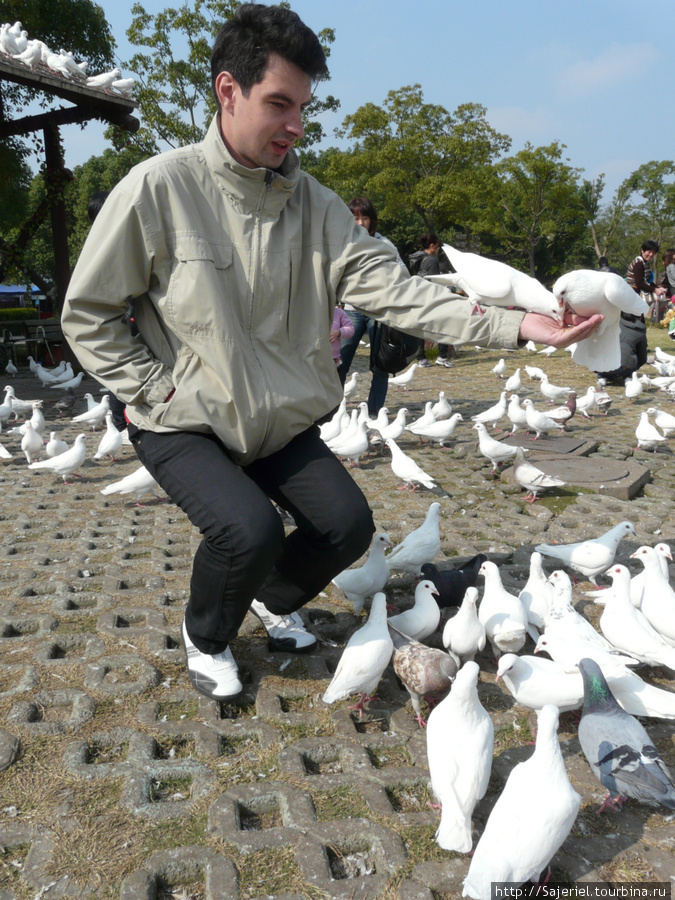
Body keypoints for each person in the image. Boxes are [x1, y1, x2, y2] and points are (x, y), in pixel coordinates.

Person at [61, 3, 601, 703]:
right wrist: (153, 391)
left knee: (346, 527)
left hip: (278, 417)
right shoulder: (158, 189)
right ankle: (208, 634)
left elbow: (398, 293)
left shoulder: (317, 208)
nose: (295, 124)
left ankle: (266, 597)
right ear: (228, 92)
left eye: (303, 107)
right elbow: (89, 313)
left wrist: (519, 326)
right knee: (247, 529)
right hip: (182, 417)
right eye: (278, 103)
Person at [337, 196, 406, 412]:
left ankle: (375, 414)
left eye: (364, 218)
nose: (360, 223)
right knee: (340, 362)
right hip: (351, 310)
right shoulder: (343, 241)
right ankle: (333, 412)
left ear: (372, 220)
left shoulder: (383, 244)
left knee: (380, 366)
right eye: (355, 217)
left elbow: (403, 272)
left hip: (378, 313)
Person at [598, 240, 668, 383]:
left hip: (634, 297)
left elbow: (646, 281)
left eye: (653, 252)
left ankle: (629, 364)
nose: (650, 254)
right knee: (632, 326)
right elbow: (639, 282)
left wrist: (657, 287)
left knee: (637, 325)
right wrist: (654, 289)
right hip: (630, 297)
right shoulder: (638, 263)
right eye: (648, 251)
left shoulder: (645, 263)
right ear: (642, 250)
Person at [413, 233, 453, 367]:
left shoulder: (417, 258)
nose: (438, 249)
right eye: (437, 246)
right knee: (444, 325)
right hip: (430, 298)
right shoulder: (431, 261)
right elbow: (434, 282)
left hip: (419, 297)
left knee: (420, 329)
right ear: (432, 246)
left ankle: (421, 358)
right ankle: (442, 357)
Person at [330, 304, 354, 371]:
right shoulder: (310, 312)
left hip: (334, 358)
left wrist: (338, 332)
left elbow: (350, 329)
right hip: (314, 357)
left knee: (336, 378)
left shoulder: (338, 312)